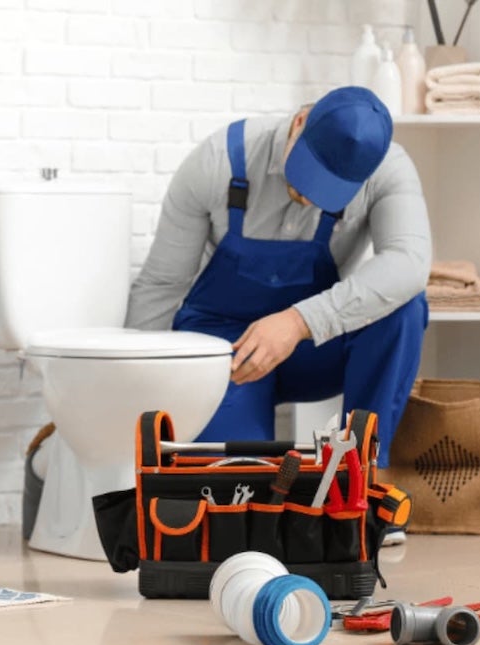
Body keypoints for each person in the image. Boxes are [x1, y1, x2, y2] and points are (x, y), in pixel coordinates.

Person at [126, 86, 431, 469]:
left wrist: (298, 322)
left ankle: (361, 475)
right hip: (228, 356)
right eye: (308, 174)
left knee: (404, 308)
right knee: (233, 486)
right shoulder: (220, 159)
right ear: (299, 122)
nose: (307, 197)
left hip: (313, 348)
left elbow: (410, 263)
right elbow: (162, 285)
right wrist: (132, 390)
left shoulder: (386, 169)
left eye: (329, 191)